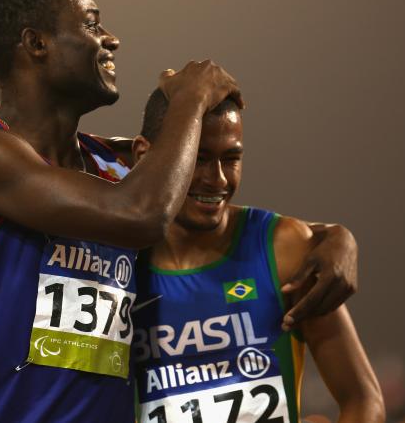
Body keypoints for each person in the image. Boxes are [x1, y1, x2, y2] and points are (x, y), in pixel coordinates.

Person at [0, 0, 358, 421]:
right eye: (92, 25)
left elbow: (206, 196)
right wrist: (190, 98)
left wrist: (333, 237)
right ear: (37, 44)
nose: (112, 39)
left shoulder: (112, 165)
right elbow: (143, 214)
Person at [131, 90, 385, 422]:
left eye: (231, 158)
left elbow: (364, 400)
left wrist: (341, 236)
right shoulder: (119, 262)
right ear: (144, 155)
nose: (218, 178)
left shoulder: (283, 248)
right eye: (199, 158)